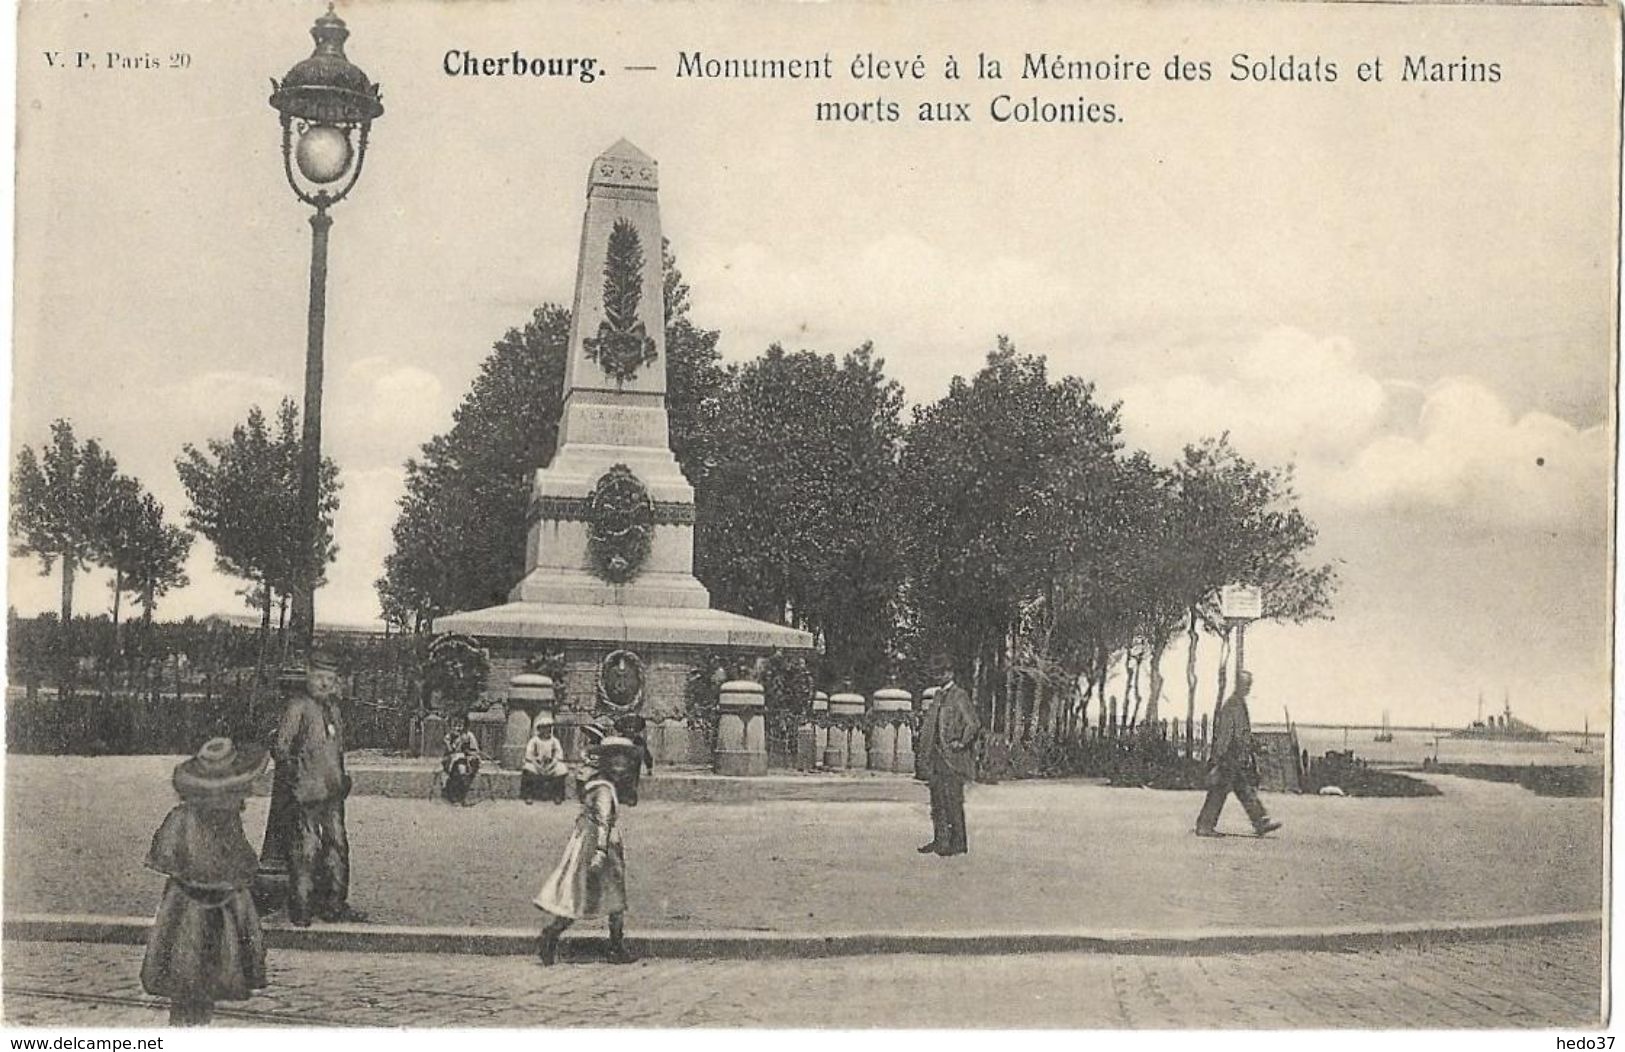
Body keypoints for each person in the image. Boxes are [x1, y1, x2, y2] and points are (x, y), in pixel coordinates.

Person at [141, 738, 269, 1026]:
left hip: (202, 905)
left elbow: (166, 856)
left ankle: (195, 1024)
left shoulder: (215, 821)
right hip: (199, 906)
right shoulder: (193, 820)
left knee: (201, 971)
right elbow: (241, 865)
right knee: (192, 970)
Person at [534, 729, 642, 965]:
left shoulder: (597, 783)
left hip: (589, 842)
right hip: (599, 846)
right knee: (599, 896)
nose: (621, 763)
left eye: (624, 758)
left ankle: (555, 935)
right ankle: (612, 946)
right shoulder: (603, 788)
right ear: (607, 761)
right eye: (615, 758)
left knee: (588, 895)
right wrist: (602, 852)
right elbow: (603, 821)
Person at [274, 648, 362, 926]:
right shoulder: (298, 707)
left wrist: (342, 777)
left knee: (337, 846)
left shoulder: (334, 710)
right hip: (306, 793)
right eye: (319, 677)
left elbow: (337, 750)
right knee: (306, 849)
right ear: (309, 676)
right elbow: (281, 747)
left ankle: (335, 903)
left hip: (333, 793)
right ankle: (301, 906)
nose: (324, 683)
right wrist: (296, 776)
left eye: (330, 678)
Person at [1195, 671, 1283, 838]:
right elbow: (1226, 734)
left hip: (1235, 757)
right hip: (1229, 757)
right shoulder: (1232, 705)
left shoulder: (1238, 704)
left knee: (1243, 789)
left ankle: (1260, 822)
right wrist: (1218, 758)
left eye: (1249, 685)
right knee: (1220, 791)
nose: (1248, 688)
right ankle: (1205, 826)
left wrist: (1255, 747)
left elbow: (1243, 733)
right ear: (1238, 685)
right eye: (1246, 685)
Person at [917, 655, 979, 857]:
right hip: (936, 757)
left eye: (942, 672)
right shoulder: (937, 696)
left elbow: (973, 724)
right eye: (936, 672)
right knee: (937, 803)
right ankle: (940, 841)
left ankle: (958, 843)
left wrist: (961, 742)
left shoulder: (959, 695)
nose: (939, 675)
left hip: (952, 760)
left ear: (950, 673)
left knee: (953, 802)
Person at [521, 713, 569, 804]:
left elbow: (558, 755)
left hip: (550, 764)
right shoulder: (534, 740)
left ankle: (557, 795)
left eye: (548, 727)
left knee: (561, 769)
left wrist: (552, 765)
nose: (547, 730)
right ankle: (529, 795)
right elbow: (529, 755)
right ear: (539, 729)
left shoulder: (554, 741)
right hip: (536, 763)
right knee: (528, 768)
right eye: (544, 727)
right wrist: (537, 765)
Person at [440, 715, 483, 806]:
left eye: (460, 726)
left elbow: (475, 750)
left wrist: (469, 753)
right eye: (454, 726)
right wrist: (448, 743)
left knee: (464, 769)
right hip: (452, 761)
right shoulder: (449, 737)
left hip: (468, 760)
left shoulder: (468, 735)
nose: (457, 728)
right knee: (459, 768)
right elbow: (449, 752)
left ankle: (465, 796)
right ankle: (456, 797)